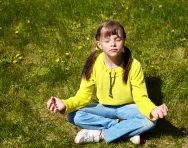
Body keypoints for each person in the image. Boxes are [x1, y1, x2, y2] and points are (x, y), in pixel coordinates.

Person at [47, 20, 168, 145]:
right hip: (104, 107)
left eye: (118, 39)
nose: (113, 44)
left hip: (128, 108)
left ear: (124, 41)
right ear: (99, 44)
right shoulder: (93, 64)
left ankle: (101, 134)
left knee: (150, 120)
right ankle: (124, 129)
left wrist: (152, 109)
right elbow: (83, 96)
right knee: (72, 115)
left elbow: (140, 97)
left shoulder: (134, 65)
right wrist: (65, 104)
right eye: (107, 40)